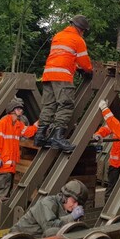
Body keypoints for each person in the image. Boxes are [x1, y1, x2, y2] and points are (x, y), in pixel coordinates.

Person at [34, 15, 93, 152]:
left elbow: (62, 56)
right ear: (81, 29)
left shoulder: (58, 36)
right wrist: (88, 71)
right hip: (62, 76)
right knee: (65, 104)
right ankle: (57, 137)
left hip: (48, 74)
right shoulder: (78, 39)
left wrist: (75, 66)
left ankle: (40, 136)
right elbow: (84, 62)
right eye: (84, 30)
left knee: (49, 105)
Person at [0, 99, 37, 199]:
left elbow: (27, 132)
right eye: (19, 109)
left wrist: (36, 126)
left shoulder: (17, 124)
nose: (21, 111)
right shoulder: (2, 124)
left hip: (10, 163)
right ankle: (0, 206)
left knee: (8, 186)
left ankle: (4, 206)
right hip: (3, 161)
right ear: (12, 110)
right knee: (2, 187)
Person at [10, 179, 88, 238]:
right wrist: (71, 217)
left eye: (79, 204)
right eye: (74, 201)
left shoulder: (66, 210)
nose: (75, 206)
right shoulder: (48, 203)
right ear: (65, 197)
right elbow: (49, 229)